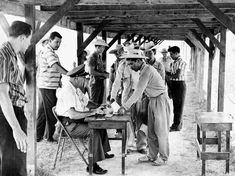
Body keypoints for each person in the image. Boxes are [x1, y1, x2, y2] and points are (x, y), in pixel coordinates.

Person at [55, 64, 114, 174]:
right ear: (76, 78)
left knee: (100, 124)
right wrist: (93, 112)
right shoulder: (67, 90)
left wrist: (98, 107)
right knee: (94, 131)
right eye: (85, 78)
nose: (87, 80)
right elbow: (73, 114)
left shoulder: (76, 88)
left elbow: (87, 103)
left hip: (76, 122)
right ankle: (92, 165)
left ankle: (102, 151)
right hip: (70, 125)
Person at [117, 50, 171, 166]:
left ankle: (164, 157)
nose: (130, 67)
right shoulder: (143, 70)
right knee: (150, 130)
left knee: (161, 131)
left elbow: (137, 92)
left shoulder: (147, 70)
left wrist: (124, 106)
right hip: (152, 100)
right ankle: (152, 155)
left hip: (160, 100)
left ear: (138, 61)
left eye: (131, 64)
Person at [0, 21, 32, 176]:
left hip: (14, 112)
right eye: (29, 39)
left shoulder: (11, 55)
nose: (29, 43)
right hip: (8, 116)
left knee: (16, 163)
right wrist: (16, 128)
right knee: (13, 165)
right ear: (21, 38)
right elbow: (2, 95)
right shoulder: (4, 56)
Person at [110, 49, 148, 154]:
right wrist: (112, 96)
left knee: (141, 118)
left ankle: (142, 145)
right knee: (127, 120)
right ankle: (130, 145)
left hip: (140, 95)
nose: (130, 61)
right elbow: (117, 82)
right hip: (127, 95)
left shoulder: (144, 67)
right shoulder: (122, 65)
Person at [37, 31, 68, 142]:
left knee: (42, 112)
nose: (58, 44)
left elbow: (56, 67)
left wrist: (61, 77)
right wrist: (68, 74)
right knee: (51, 112)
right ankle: (50, 137)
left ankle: (37, 136)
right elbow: (55, 66)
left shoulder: (51, 52)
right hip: (47, 86)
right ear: (50, 41)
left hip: (47, 85)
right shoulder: (48, 51)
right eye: (56, 42)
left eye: (59, 42)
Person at [168, 46, 187, 132]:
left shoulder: (181, 62)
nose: (170, 56)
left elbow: (177, 75)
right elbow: (171, 74)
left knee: (179, 106)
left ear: (176, 53)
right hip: (174, 84)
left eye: (171, 54)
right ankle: (176, 124)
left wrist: (167, 76)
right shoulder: (172, 63)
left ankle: (177, 125)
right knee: (175, 106)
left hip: (180, 84)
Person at [87, 39, 109, 105]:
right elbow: (91, 72)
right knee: (94, 102)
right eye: (103, 47)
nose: (104, 49)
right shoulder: (92, 57)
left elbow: (99, 70)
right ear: (98, 47)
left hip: (100, 82)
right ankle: (93, 114)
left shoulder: (99, 57)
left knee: (99, 102)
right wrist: (103, 74)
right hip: (95, 83)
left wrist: (106, 73)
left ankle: (97, 114)